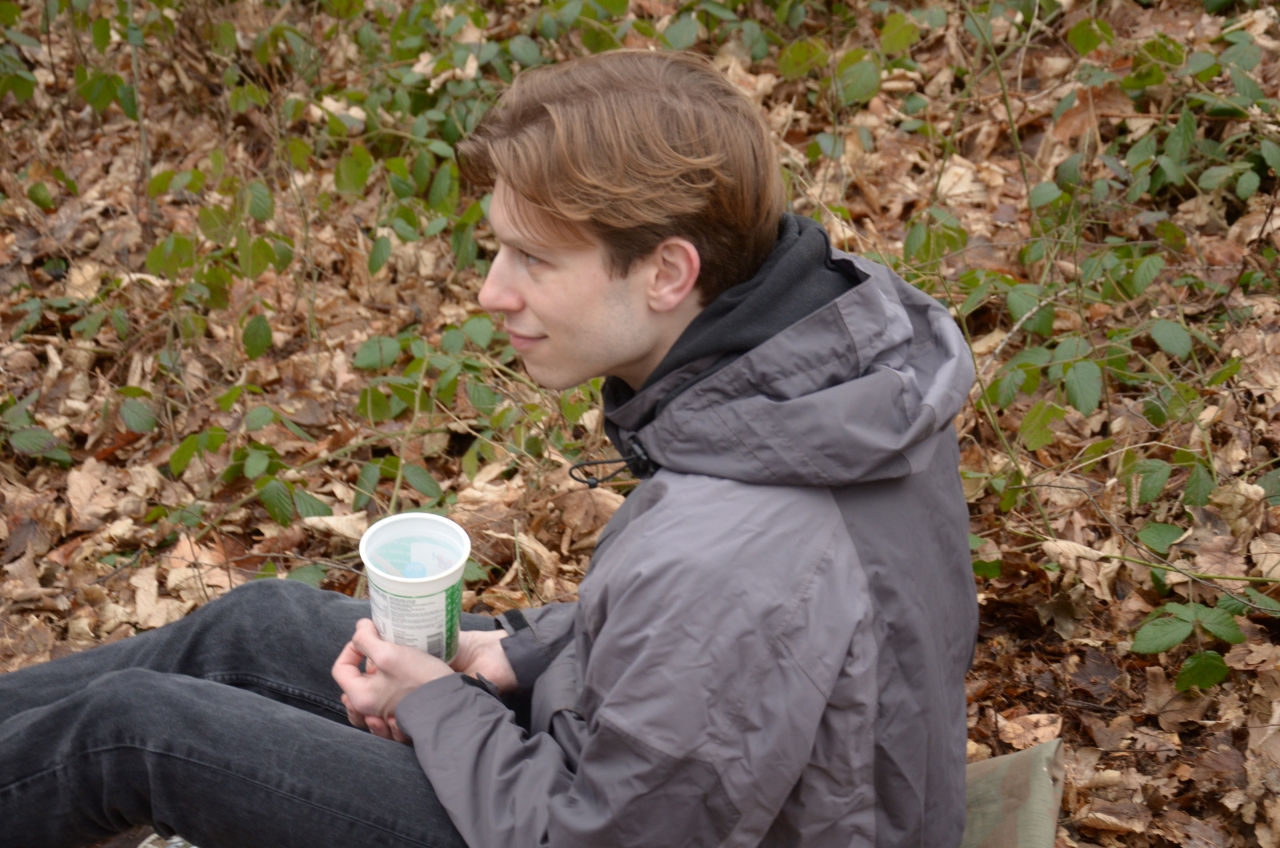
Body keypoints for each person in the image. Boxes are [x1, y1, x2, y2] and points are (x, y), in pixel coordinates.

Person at [0, 49, 977, 848]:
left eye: (534, 259)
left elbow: (592, 830)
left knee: (136, 735)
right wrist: (517, 652)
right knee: (251, 627)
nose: (491, 292)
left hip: (586, 820)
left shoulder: (729, 550)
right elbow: (709, 656)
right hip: (641, 776)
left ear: (668, 272)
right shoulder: (827, 382)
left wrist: (437, 703)